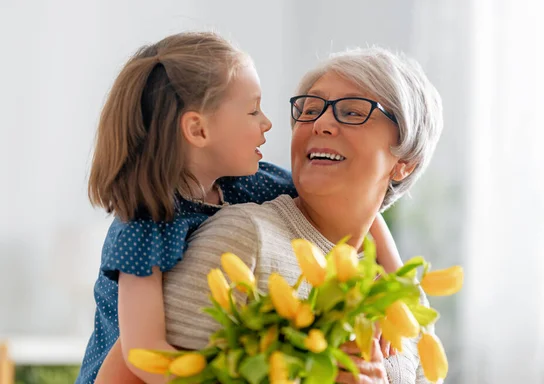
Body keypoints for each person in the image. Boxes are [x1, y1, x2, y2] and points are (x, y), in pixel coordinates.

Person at [77, 32, 403, 384]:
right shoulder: (145, 224)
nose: (268, 123)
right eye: (252, 110)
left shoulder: (246, 183)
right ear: (198, 130)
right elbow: (143, 356)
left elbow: (366, 216)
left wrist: (395, 290)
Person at [162, 46, 444, 384]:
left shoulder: (403, 298)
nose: (321, 122)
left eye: (353, 113)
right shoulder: (245, 237)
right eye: (310, 110)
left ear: (404, 163)